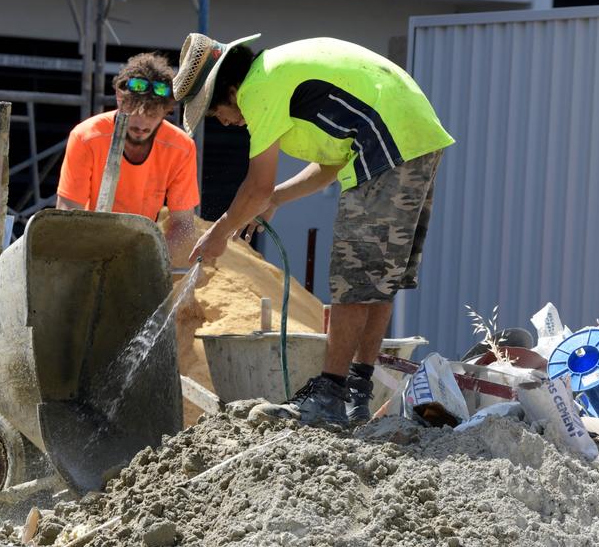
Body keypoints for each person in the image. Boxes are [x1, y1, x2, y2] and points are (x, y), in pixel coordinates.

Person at [174, 34, 454, 426]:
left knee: (354, 276)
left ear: (231, 91)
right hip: (410, 134)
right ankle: (356, 393)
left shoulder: (259, 87)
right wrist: (276, 199)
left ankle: (329, 392)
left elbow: (255, 187)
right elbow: (329, 166)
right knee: (376, 279)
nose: (222, 121)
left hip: (389, 138)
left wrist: (220, 232)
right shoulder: (283, 77)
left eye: (214, 111)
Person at [57, 52, 198, 265]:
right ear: (119, 99)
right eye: (134, 112)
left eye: (151, 115)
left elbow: (184, 225)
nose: (141, 124)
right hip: (86, 243)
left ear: (166, 112)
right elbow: (68, 213)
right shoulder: (86, 137)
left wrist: (152, 261)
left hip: (142, 247)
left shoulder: (181, 148)